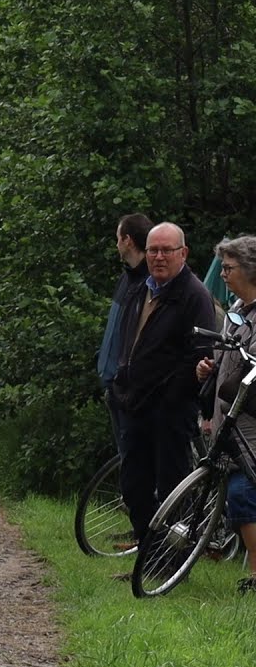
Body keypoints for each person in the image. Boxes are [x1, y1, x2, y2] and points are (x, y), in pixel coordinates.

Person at [110, 222, 216, 562]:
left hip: (169, 412)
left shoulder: (194, 296)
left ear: (182, 253)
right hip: (134, 405)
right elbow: (129, 341)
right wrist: (122, 382)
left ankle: (168, 565)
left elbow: (200, 355)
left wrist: (170, 399)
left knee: (172, 489)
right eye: (153, 250)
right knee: (134, 486)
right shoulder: (141, 288)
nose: (158, 257)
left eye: (166, 250)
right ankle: (147, 557)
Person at [194, 235, 256, 593]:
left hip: (251, 421)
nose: (224, 274)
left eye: (229, 268)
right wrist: (206, 368)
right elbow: (223, 355)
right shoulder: (235, 310)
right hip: (228, 416)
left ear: (249, 269)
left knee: (242, 493)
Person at [98, 213, 152, 458]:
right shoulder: (126, 277)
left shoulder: (149, 283)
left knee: (135, 457)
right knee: (125, 457)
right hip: (112, 382)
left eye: (117, 238)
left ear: (128, 240)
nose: (116, 244)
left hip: (129, 389)